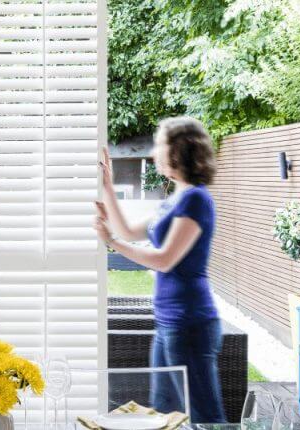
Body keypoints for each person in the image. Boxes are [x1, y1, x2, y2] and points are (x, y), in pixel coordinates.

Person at [94, 116, 224, 423]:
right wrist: (108, 187)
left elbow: (165, 259)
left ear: (179, 150)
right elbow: (128, 231)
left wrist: (111, 241)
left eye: (159, 145)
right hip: (168, 322)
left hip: (190, 323)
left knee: (204, 419)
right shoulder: (175, 199)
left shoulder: (196, 199)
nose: (154, 153)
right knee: (164, 415)